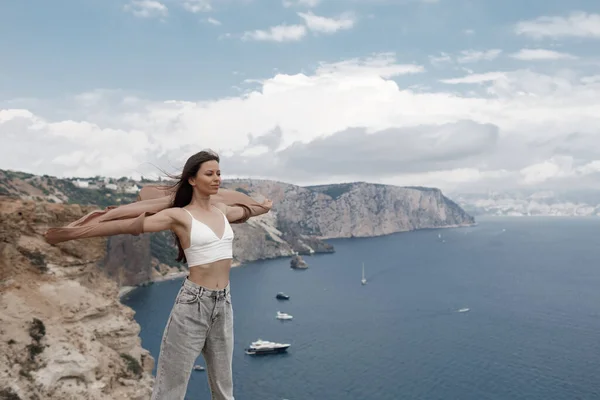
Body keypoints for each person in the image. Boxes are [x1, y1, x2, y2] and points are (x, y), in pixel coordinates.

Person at [44, 150, 273, 399]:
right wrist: (71, 233)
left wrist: (263, 207)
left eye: (219, 173)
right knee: (170, 390)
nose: (217, 178)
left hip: (224, 304)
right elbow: (126, 225)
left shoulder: (222, 211)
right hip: (193, 305)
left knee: (224, 388)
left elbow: (247, 212)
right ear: (192, 180)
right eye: (209, 173)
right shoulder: (179, 216)